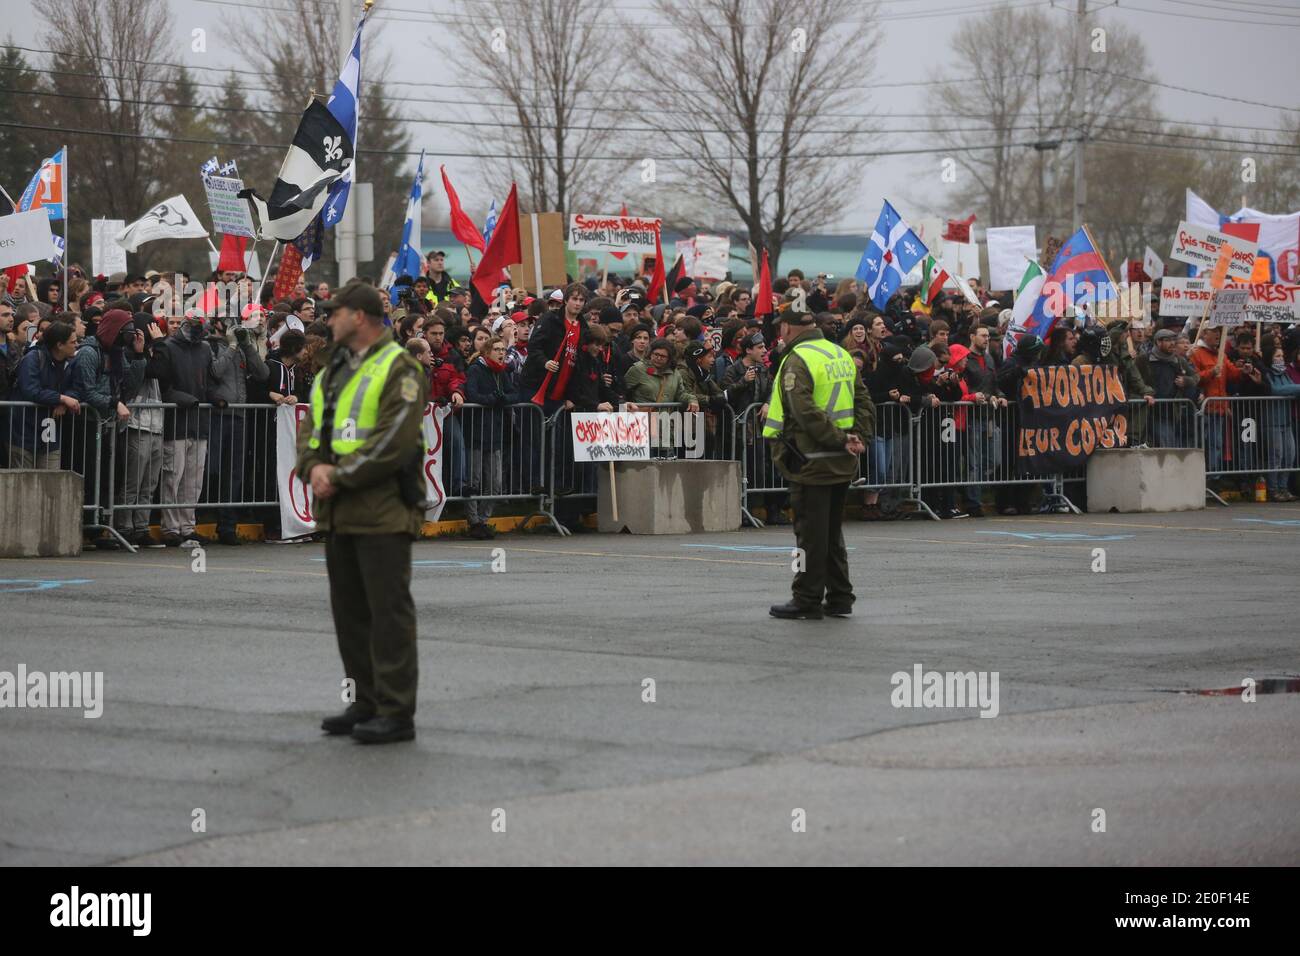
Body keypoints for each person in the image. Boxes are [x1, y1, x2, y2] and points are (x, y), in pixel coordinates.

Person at [296, 282, 429, 746]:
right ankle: (366, 700)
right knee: (349, 613)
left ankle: (395, 712)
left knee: (387, 612)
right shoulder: (332, 370)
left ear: (361, 317)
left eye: (337, 312)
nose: (328, 319)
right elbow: (311, 426)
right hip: (339, 510)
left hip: (384, 509)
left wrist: (339, 474)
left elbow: (394, 438)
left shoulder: (400, 367)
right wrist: (312, 468)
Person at [763, 306, 874, 620]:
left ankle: (806, 598)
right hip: (841, 461)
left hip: (811, 460)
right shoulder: (838, 353)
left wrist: (840, 438)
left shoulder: (798, 360)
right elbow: (863, 399)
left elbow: (804, 411)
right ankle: (840, 596)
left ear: (786, 328)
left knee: (808, 536)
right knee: (830, 534)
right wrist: (856, 437)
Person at [462, 335, 518, 539]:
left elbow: (515, 394)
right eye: (497, 349)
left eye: (503, 349)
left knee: (495, 482)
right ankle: (474, 520)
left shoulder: (502, 373)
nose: (502, 353)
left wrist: (504, 399)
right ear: (487, 352)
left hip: (495, 434)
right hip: (476, 433)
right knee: (474, 479)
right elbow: (472, 394)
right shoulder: (476, 369)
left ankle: (484, 520)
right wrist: (491, 399)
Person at [9, 320, 79, 469]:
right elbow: (31, 390)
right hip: (23, 433)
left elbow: (76, 386)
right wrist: (61, 398)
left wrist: (64, 402)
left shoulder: (70, 363)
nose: (77, 345)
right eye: (73, 342)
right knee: (23, 484)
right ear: (60, 345)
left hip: (50, 434)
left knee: (51, 484)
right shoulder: (32, 359)